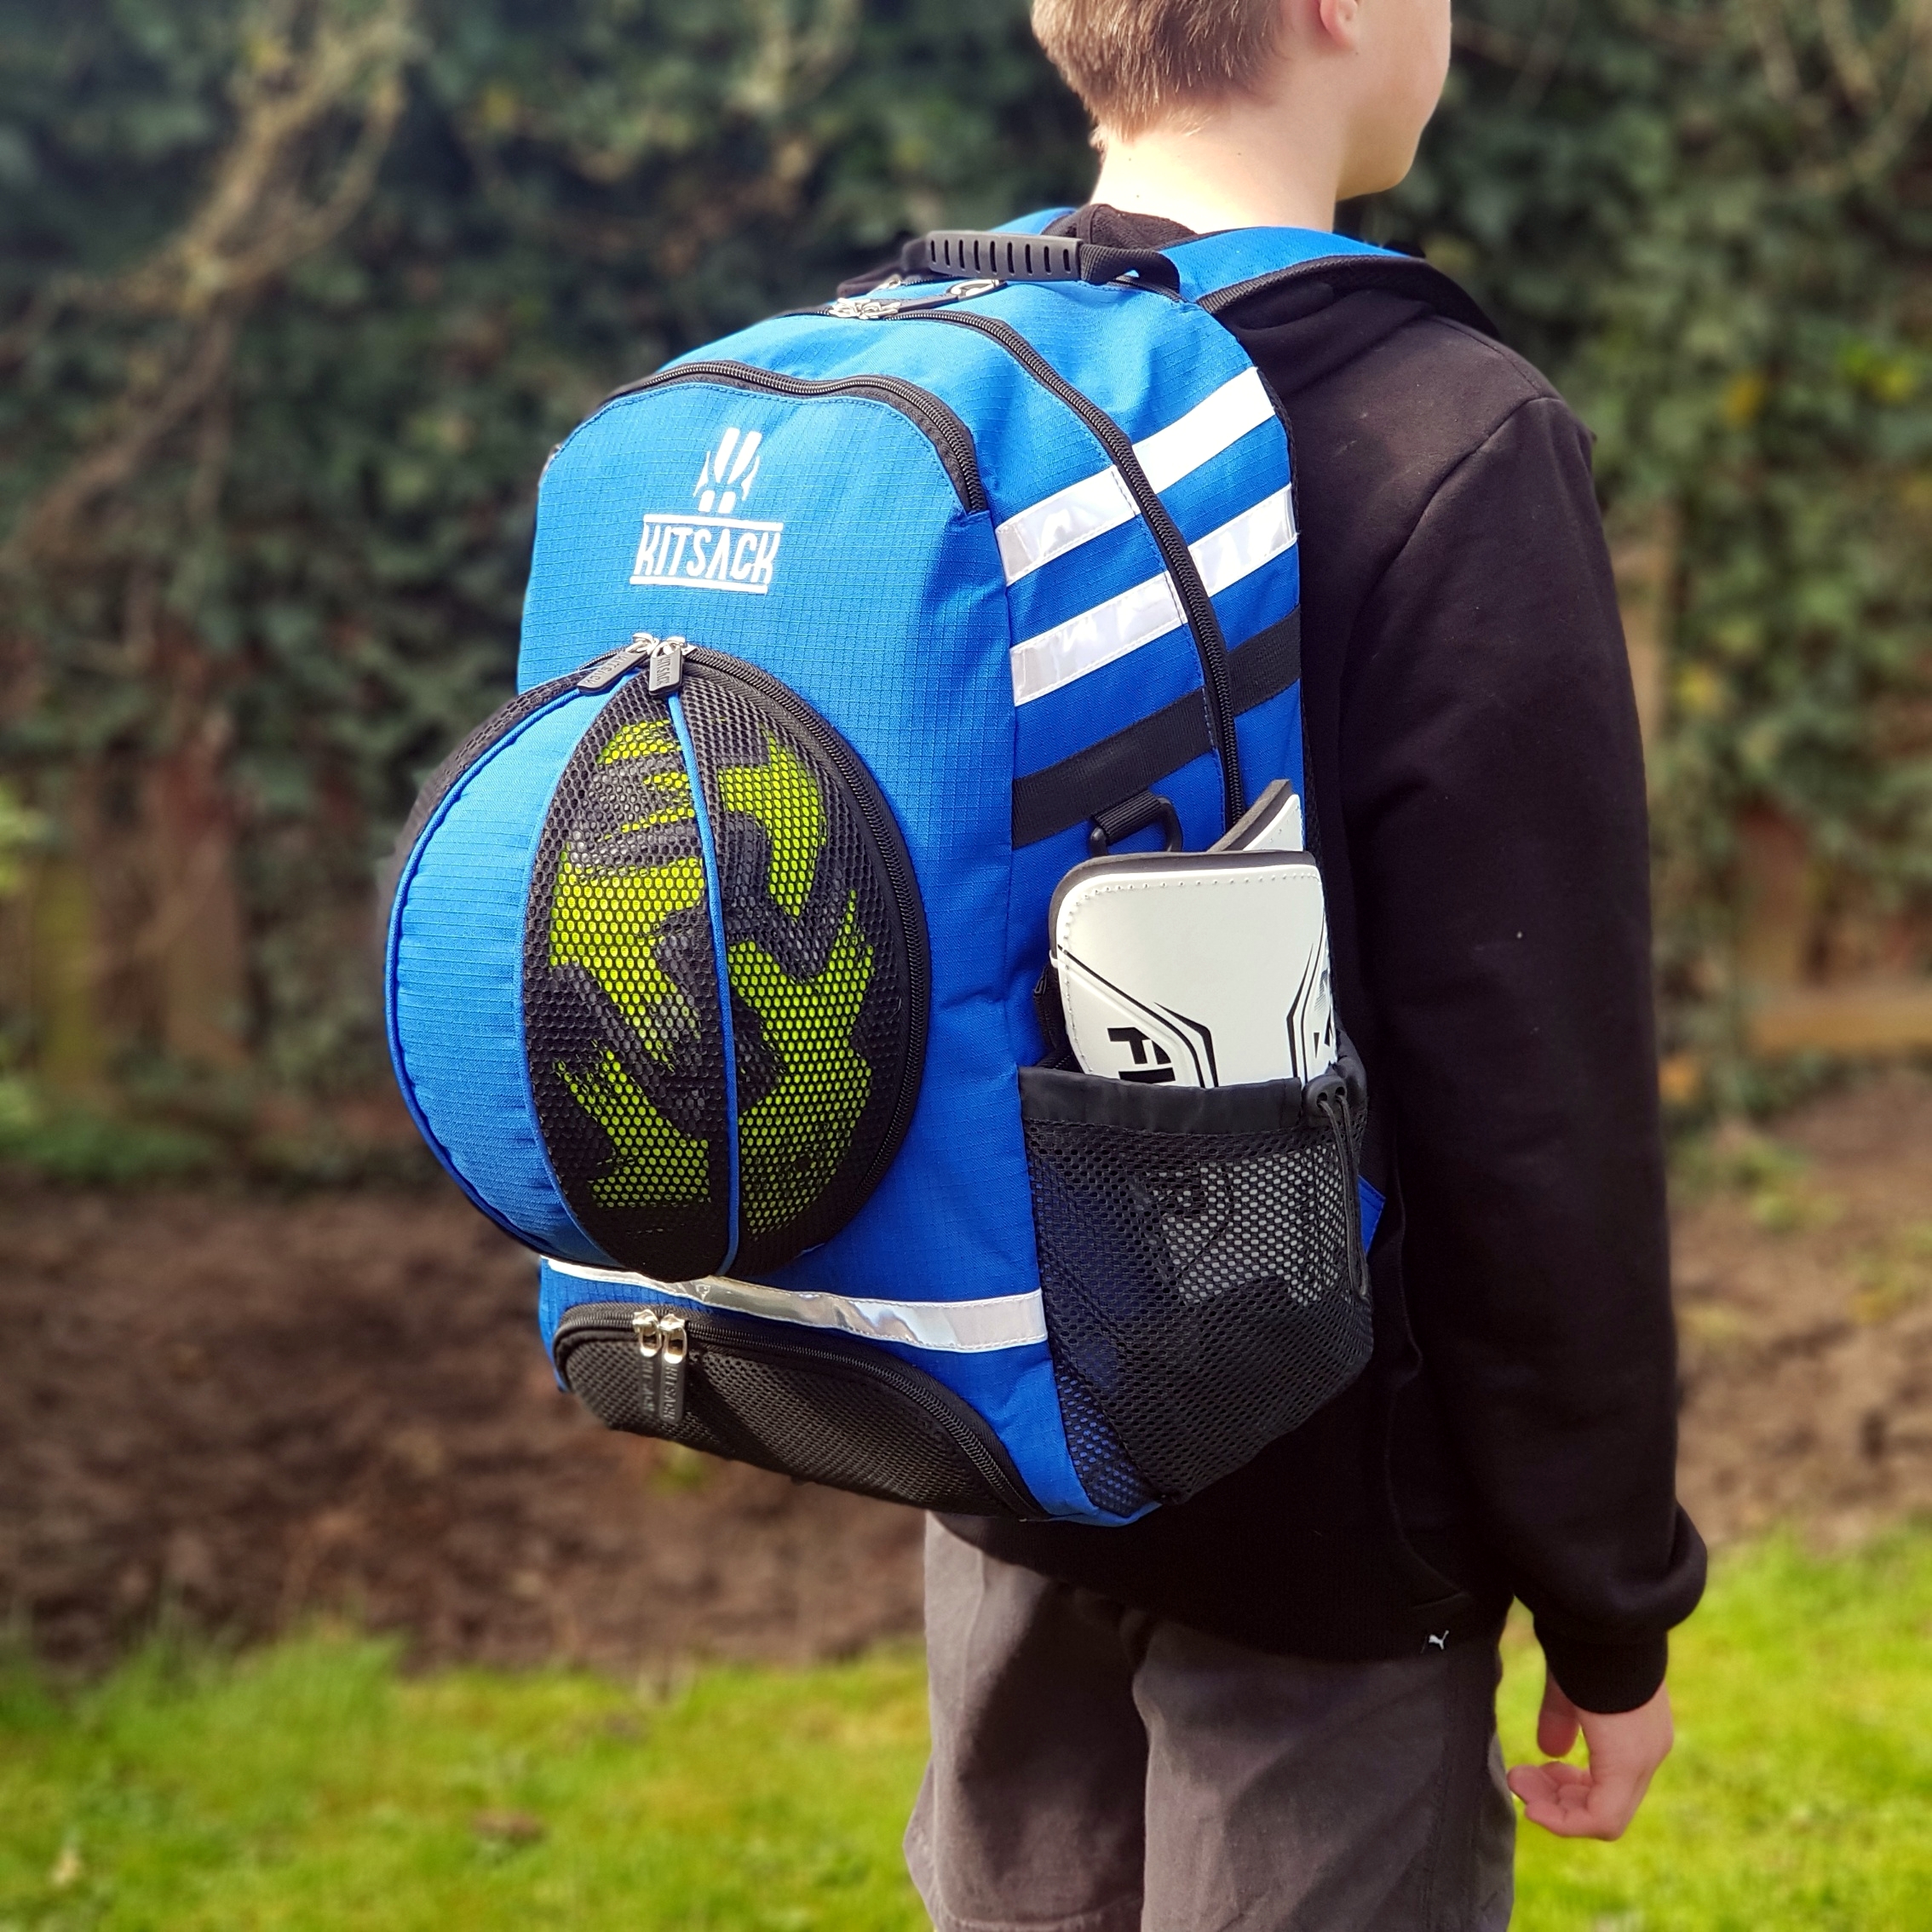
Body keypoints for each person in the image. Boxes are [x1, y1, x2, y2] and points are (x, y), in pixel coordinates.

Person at [901, 2, 1708, 1926]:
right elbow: (1534, 1095)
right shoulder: (1441, 431)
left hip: (1003, 1443)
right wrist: (1610, 1600)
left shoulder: (949, 379)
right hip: (1325, 1513)